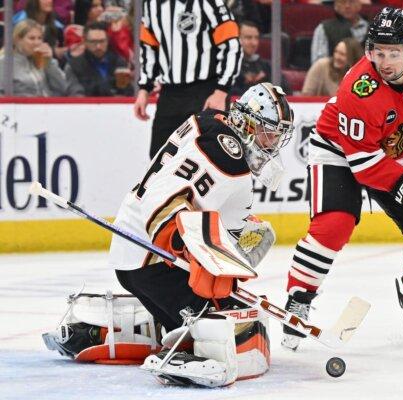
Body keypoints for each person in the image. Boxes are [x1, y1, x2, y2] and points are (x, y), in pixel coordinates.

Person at [43, 83, 295, 387]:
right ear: (249, 121)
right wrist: (186, 251)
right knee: (239, 323)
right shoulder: (229, 156)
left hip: (133, 257)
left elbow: (194, 203)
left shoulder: (209, 120)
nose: (274, 142)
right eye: (270, 131)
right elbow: (167, 204)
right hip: (155, 261)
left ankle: (106, 333)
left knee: (217, 296)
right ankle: (196, 350)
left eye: (279, 134)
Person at [281, 7, 403, 351]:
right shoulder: (359, 90)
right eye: (378, 51)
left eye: (394, 52)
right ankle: (298, 298)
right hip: (338, 151)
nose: (385, 61)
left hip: (393, 151)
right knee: (334, 224)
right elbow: (363, 164)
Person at [134, 0, 242, 159]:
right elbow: (149, 47)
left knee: (210, 158)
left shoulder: (210, 2)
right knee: (160, 159)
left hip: (207, 91)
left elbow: (231, 46)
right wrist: (144, 88)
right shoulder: (151, 4)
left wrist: (221, 91)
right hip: (169, 93)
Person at [0, 19, 81, 96]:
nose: (37, 42)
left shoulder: (41, 58)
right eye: (32, 38)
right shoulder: (5, 63)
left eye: (40, 38)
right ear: (18, 39)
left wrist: (49, 62)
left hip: (47, 107)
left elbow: (64, 88)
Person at [64, 22, 133, 96]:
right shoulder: (74, 65)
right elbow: (76, 95)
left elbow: (128, 92)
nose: (98, 46)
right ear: (84, 41)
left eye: (102, 41)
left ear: (107, 41)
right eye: (93, 42)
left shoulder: (119, 62)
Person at [230, 20, 291, 96]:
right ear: (236, 39)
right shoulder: (228, 67)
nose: (254, 43)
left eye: (256, 38)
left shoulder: (267, 66)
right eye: (248, 38)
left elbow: (286, 91)